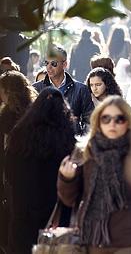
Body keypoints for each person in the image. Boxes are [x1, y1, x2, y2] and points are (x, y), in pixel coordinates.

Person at [58, 96, 131, 253]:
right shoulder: (84, 151)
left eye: (119, 119)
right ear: (98, 121)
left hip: (130, 240)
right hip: (93, 239)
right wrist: (67, 179)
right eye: (106, 119)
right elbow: (69, 199)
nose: (112, 124)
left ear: (128, 121)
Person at [5, 87, 76, 253]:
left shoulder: (19, 135)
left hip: (22, 211)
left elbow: (8, 172)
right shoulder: (66, 138)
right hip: (55, 216)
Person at [0, 71, 38, 251]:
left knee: (16, 217)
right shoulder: (35, 109)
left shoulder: (7, 115)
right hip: (32, 173)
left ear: (8, 91)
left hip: (14, 172)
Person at [33, 45, 94, 135]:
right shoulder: (36, 88)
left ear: (64, 64)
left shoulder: (81, 89)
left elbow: (90, 120)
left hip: (71, 143)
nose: (49, 67)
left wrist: (79, 138)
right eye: (46, 63)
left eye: (53, 64)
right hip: (44, 144)